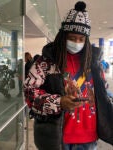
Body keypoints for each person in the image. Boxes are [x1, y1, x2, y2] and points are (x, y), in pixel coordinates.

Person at [24, 1, 107, 150]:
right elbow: (29, 92)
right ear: (63, 36)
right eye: (72, 38)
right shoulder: (46, 62)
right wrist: (59, 102)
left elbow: (103, 88)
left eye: (81, 39)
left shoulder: (93, 62)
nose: (76, 42)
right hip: (57, 138)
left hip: (89, 137)